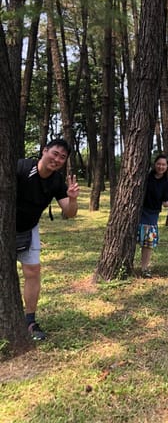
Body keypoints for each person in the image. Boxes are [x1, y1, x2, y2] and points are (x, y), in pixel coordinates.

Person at [16, 138, 79, 341]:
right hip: (5, 228)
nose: (57, 159)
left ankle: (30, 321)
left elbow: (69, 213)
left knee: (33, 271)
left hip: (29, 227)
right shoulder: (22, 167)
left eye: (62, 157)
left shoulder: (56, 181)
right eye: (55, 153)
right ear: (44, 151)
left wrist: (73, 198)